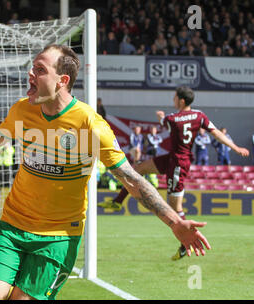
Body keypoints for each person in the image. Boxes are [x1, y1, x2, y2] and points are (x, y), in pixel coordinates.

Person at [0, 46, 211, 300]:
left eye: (40, 69)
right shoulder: (22, 110)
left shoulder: (90, 126)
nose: (31, 74)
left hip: (58, 237)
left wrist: (174, 221)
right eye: (32, 67)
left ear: (63, 81)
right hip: (12, 226)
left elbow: (131, 179)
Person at [98, 86, 249, 261]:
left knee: (175, 208)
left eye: (175, 97)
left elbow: (165, 122)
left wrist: (161, 118)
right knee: (138, 168)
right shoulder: (200, 116)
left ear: (181, 101)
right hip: (173, 158)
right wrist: (236, 147)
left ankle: (186, 242)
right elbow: (216, 134)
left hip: (178, 163)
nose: (173, 100)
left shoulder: (173, 118)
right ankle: (118, 201)